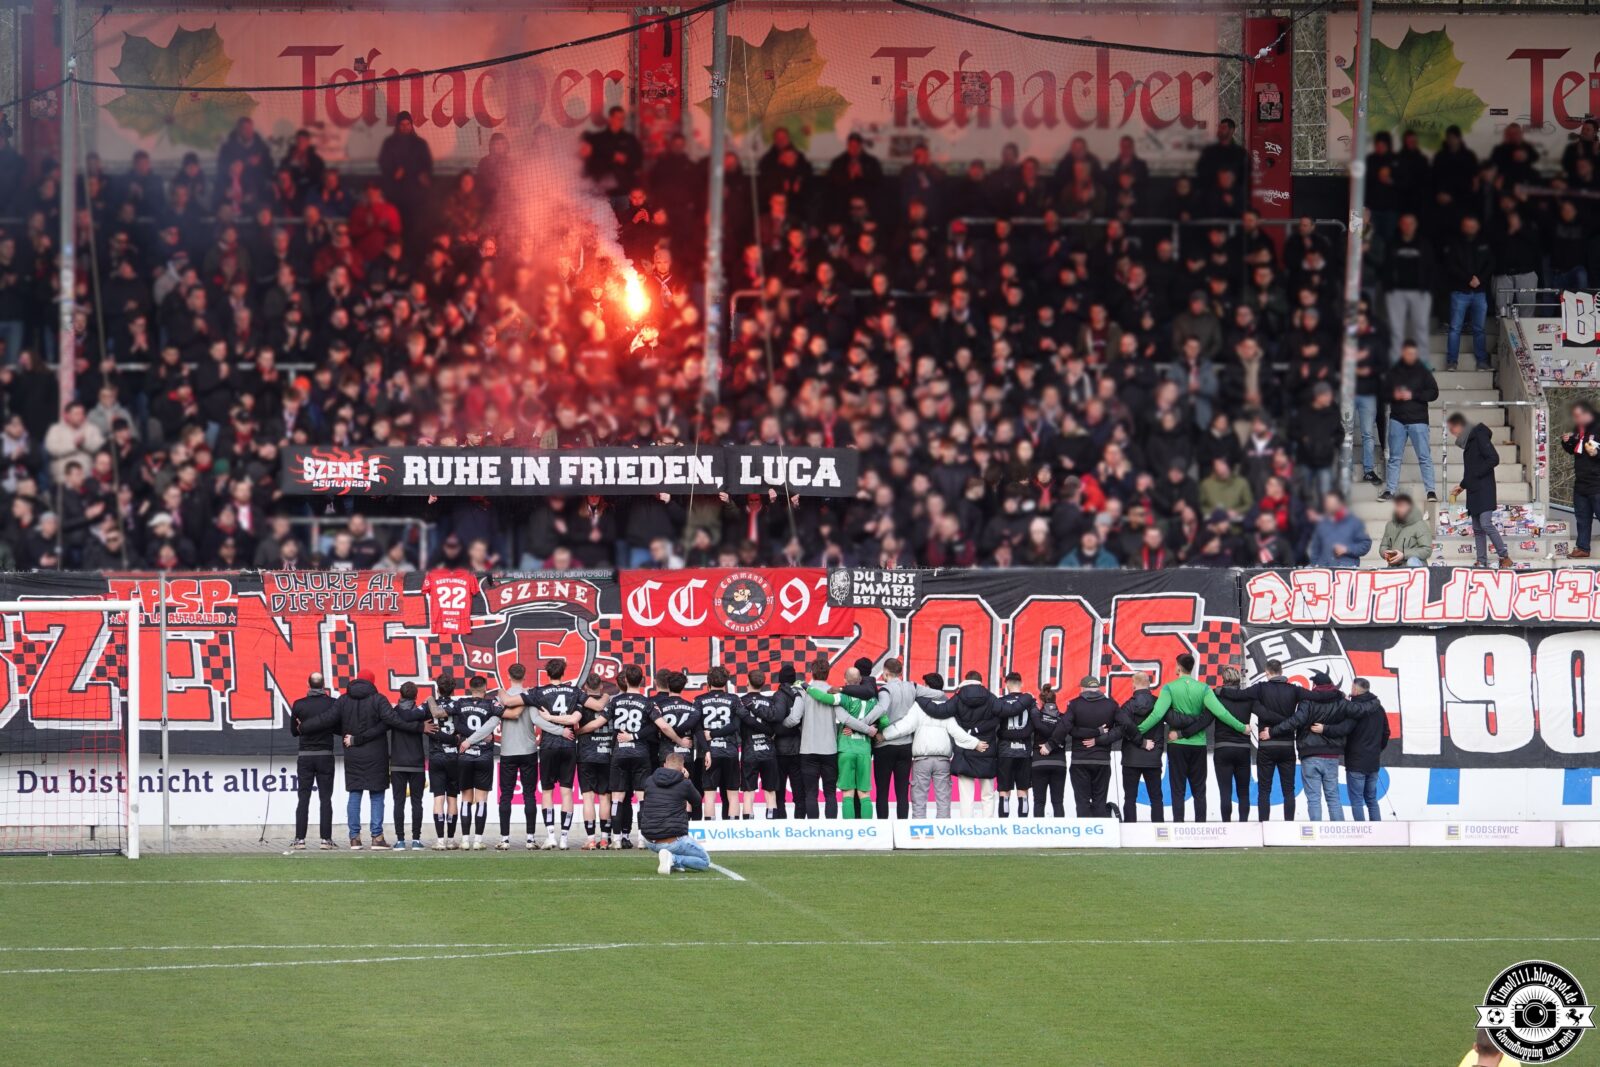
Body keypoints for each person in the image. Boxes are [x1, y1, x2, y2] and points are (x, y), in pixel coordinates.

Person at [1135, 654, 1251, 821]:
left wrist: (1138, 730)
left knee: (1178, 789)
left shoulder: (1169, 688)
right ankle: (1200, 826)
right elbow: (1221, 713)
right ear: (1192, 667)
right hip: (1198, 745)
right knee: (1199, 790)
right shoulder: (1204, 689)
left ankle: (1178, 826)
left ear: (1179, 667)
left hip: (1177, 744)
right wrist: (1242, 727)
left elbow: (1157, 714)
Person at [879, 672, 987, 818]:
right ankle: (942, 831)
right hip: (943, 761)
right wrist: (975, 743)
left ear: (927, 687)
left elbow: (904, 726)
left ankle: (919, 830)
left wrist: (883, 735)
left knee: (919, 800)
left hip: (922, 760)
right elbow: (957, 732)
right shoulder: (948, 707)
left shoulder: (918, 706)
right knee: (943, 800)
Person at [783, 657, 879, 819]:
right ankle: (832, 830)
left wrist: (779, 726)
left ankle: (814, 830)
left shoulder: (803, 692)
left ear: (811, 672)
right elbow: (846, 718)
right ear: (828, 673)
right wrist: (867, 729)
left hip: (808, 749)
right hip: (830, 750)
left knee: (810, 793)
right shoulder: (835, 693)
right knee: (830, 793)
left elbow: (793, 719)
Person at [1260, 670, 1346, 821]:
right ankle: (1340, 832)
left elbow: (1296, 721)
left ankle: (1316, 832)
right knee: (1333, 797)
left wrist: (1272, 731)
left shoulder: (1307, 701)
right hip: (1332, 755)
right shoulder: (1340, 701)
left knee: (1313, 798)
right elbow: (1350, 720)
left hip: (1310, 754)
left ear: (1315, 685)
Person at [1225, 659, 1305, 820]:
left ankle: (1264, 825)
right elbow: (1315, 696)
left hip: (1267, 746)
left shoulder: (1261, 688)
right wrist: (1336, 694)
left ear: (1267, 672)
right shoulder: (1294, 690)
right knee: (1288, 790)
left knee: (1264, 790)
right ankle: (1289, 826)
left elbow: (1238, 695)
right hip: (1287, 746)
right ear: (1281, 671)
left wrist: (1219, 691)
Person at [917, 670, 1001, 817]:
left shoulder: (958, 697)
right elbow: (1003, 713)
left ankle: (966, 826)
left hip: (964, 751)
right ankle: (987, 826)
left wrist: (919, 698)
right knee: (988, 795)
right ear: (980, 681)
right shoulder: (990, 697)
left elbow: (939, 711)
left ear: (966, 680)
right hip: (986, 749)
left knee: (966, 795)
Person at [805, 666, 884, 819]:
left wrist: (807, 687)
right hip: (864, 750)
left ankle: (850, 830)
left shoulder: (843, 697)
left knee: (847, 793)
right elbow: (885, 720)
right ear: (860, 680)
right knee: (864, 793)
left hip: (846, 749)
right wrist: (874, 728)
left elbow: (825, 698)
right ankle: (867, 830)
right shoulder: (873, 700)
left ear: (845, 680)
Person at [871, 657, 935, 819]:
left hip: (883, 745)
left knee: (882, 791)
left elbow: (881, 709)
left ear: (885, 672)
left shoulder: (885, 691)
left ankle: (883, 827)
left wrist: (864, 724)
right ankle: (902, 827)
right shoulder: (912, 687)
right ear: (900, 672)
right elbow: (939, 694)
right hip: (906, 745)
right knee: (902, 792)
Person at [532, 658, 586, 848]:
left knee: (547, 791)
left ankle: (551, 836)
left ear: (547, 673)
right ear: (563, 673)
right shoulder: (575, 691)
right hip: (569, 744)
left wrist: (549, 718)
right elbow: (575, 718)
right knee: (566, 792)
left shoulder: (538, 692)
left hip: (548, 745)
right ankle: (564, 838)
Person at [337, 668, 392, 849]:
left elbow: (330, 720)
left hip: (352, 754)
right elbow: (389, 721)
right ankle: (377, 837)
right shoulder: (379, 699)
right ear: (372, 682)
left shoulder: (343, 700)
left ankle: (354, 838)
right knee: (377, 796)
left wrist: (304, 726)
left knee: (355, 794)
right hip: (376, 755)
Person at [1447, 411, 1511, 568]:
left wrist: (1474, 476)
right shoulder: (1469, 442)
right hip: (1473, 490)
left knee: (1485, 523)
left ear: (1459, 425)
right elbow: (1471, 471)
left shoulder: (1479, 435)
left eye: (1452, 428)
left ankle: (1504, 556)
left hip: (1484, 489)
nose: (1451, 433)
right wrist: (1462, 486)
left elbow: (1493, 458)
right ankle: (1481, 560)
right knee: (1477, 528)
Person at [450, 674, 505, 849]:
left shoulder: (460, 703)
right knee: (481, 800)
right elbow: (502, 713)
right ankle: (478, 841)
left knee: (466, 799)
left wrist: (468, 738)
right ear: (485, 688)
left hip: (464, 756)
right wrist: (482, 736)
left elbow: (456, 725)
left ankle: (465, 840)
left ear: (469, 688)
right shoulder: (491, 703)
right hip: (484, 756)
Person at [1380, 341, 1439, 502]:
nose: (1410, 356)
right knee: (1394, 458)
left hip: (1418, 420)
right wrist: (1394, 396)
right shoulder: (1393, 371)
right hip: (1397, 419)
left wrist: (1413, 395)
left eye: (1413, 353)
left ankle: (1431, 491)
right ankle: (1390, 490)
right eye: (1407, 353)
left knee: (1424, 457)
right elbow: (1383, 394)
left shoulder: (1423, 371)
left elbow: (1434, 393)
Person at [1325, 678, 1389, 820]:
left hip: (1356, 761)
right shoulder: (1379, 708)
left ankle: (1362, 831)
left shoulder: (1353, 709)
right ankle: (1377, 830)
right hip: (1373, 761)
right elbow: (1386, 733)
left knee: (1357, 800)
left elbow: (1342, 729)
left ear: (1355, 689)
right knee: (1371, 799)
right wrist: (1376, 750)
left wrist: (1325, 728)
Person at [605, 664, 654, 848]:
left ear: (625, 680)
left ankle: (616, 839)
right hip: (640, 753)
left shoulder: (615, 701)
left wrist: (579, 731)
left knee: (617, 798)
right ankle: (642, 839)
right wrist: (635, 736)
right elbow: (659, 726)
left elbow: (600, 721)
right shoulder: (646, 702)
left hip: (620, 753)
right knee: (642, 798)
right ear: (641, 680)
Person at [288, 672, 340, 850]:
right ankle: (326, 839)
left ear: (308, 684)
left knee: (303, 798)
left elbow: (294, 731)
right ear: (323, 684)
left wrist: (304, 726)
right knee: (326, 798)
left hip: (305, 756)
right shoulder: (332, 704)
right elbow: (339, 728)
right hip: (325, 755)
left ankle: (300, 839)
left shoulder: (299, 704)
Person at [640, 752, 711, 874]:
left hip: (649, 840)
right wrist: (686, 779)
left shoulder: (649, 781)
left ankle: (670, 859)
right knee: (705, 861)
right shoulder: (684, 783)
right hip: (672, 841)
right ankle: (673, 859)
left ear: (664, 765)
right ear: (682, 767)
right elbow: (697, 801)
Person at [1056, 675, 1117, 817]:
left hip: (1080, 760)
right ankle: (1100, 830)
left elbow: (1066, 727)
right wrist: (1100, 737)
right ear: (1098, 688)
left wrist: (1050, 744)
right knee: (1099, 802)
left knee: (1082, 802)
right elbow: (1123, 727)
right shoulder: (1111, 704)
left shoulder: (1074, 704)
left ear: (1083, 688)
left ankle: (1086, 830)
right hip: (1102, 760)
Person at [383, 681, 432, 850]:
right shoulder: (421, 713)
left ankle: (400, 840)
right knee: (417, 802)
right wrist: (420, 726)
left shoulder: (394, 712)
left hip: (397, 763)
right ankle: (416, 840)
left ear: (400, 694)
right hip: (416, 763)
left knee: (399, 802)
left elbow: (402, 718)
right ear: (416, 696)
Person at [1443, 215, 1493, 371]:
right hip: (1460, 291)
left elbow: (1491, 263)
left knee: (1479, 329)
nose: (1470, 229)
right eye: (1467, 226)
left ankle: (1482, 361)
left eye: (1472, 226)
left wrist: (1480, 279)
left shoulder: (1484, 243)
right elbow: (1450, 265)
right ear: (1462, 227)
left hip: (1480, 292)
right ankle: (1452, 361)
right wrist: (1468, 279)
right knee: (1455, 328)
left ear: (1478, 227)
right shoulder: (1454, 243)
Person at [695, 666, 743, 821]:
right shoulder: (734, 699)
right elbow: (735, 726)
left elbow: (697, 728)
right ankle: (733, 831)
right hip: (730, 750)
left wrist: (707, 746)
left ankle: (710, 830)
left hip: (710, 752)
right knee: (733, 794)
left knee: (709, 795)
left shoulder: (699, 700)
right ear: (726, 682)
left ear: (708, 682)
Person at [573, 673, 616, 848]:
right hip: (606, 754)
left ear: (585, 688)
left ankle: (591, 839)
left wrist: (579, 731)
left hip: (586, 754)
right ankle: (605, 838)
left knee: (588, 798)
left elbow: (574, 723)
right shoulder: (610, 702)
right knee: (605, 797)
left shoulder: (581, 702)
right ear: (601, 687)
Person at [1113, 673, 1161, 822]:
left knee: (1130, 798)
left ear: (1133, 685)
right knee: (1156, 798)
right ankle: (1159, 831)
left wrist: (1140, 741)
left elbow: (1123, 728)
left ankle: (1130, 830)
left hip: (1131, 759)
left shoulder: (1127, 705)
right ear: (1149, 684)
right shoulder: (1159, 703)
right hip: (1153, 757)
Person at [736, 669, 784, 820]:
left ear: (747, 682)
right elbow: (777, 725)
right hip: (768, 750)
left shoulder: (740, 702)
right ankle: (771, 825)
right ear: (763, 684)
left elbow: (736, 727)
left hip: (749, 750)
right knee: (770, 792)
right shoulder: (770, 702)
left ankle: (748, 827)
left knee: (748, 793)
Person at [1209, 667, 1254, 822]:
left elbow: (1204, 720)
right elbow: (1264, 713)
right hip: (1243, 749)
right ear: (1239, 680)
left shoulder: (1216, 697)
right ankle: (1243, 825)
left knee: (1225, 793)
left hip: (1223, 748)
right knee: (1244, 792)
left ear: (1223, 679)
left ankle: (1227, 826)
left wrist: (1184, 732)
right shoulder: (1248, 697)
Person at [425, 674, 463, 848]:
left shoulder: (429, 705)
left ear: (438, 689)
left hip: (436, 755)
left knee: (438, 798)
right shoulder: (457, 705)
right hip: (453, 756)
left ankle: (440, 840)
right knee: (452, 798)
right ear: (453, 690)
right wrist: (454, 739)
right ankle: (451, 840)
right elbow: (461, 728)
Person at [994, 672, 1037, 818]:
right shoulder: (1030, 701)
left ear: (1006, 684)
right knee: (1023, 790)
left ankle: (1003, 825)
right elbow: (1036, 723)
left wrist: (1002, 734)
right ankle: (1022, 826)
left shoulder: (1000, 702)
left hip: (1005, 751)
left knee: (1004, 791)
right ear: (1022, 684)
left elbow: (994, 726)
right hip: (1024, 751)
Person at [1562, 400, 1600, 558]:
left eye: (1578, 415)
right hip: (1581, 482)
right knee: (1582, 518)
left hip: (1597, 483)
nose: (1576, 419)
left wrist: (1597, 454)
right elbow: (1573, 449)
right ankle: (1583, 547)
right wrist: (1566, 442)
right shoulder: (1578, 429)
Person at [1029, 686, 1067, 818]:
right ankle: (1060, 831)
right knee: (1058, 802)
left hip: (1039, 762)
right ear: (1055, 700)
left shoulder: (1036, 716)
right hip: (1059, 763)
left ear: (1041, 701)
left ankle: (1039, 831)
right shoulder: (1063, 718)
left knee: (1039, 802)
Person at [1307, 490, 1371, 569]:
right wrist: (1314, 567)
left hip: (1346, 570)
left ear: (1340, 503)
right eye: (1327, 503)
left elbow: (1365, 544)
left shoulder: (1355, 523)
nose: (1328, 505)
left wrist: (1347, 549)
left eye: (1332, 503)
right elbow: (1315, 549)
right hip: (1324, 570)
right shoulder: (1322, 524)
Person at [1379, 493, 1432, 567]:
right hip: (1394, 564)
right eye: (1398, 506)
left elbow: (1427, 550)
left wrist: (1404, 555)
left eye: (1402, 506)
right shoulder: (1390, 525)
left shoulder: (1420, 524)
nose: (1399, 509)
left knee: (1411, 561)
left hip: (1414, 565)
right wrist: (1384, 553)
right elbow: (1383, 546)